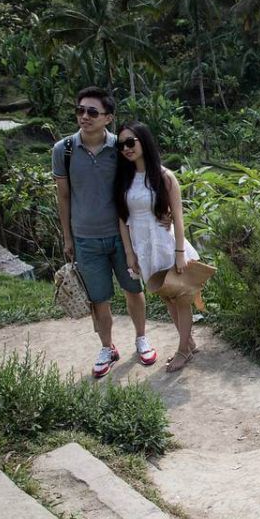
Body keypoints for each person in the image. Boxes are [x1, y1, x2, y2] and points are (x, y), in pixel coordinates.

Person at [53, 87, 156, 378]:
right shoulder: (64, 150)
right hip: (85, 238)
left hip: (123, 236)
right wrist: (67, 237)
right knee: (98, 298)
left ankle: (141, 338)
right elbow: (63, 196)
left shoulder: (120, 148)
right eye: (80, 110)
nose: (84, 116)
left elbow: (140, 181)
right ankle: (107, 347)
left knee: (133, 289)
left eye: (92, 112)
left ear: (108, 118)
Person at [114, 122, 201, 373]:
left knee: (181, 298)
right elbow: (123, 219)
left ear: (144, 141)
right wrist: (129, 252)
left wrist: (180, 253)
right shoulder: (125, 179)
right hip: (144, 247)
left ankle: (183, 350)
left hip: (165, 243)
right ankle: (188, 343)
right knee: (167, 296)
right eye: (121, 145)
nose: (126, 148)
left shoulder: (164, 177)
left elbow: (179, 218)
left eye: (130, 142)